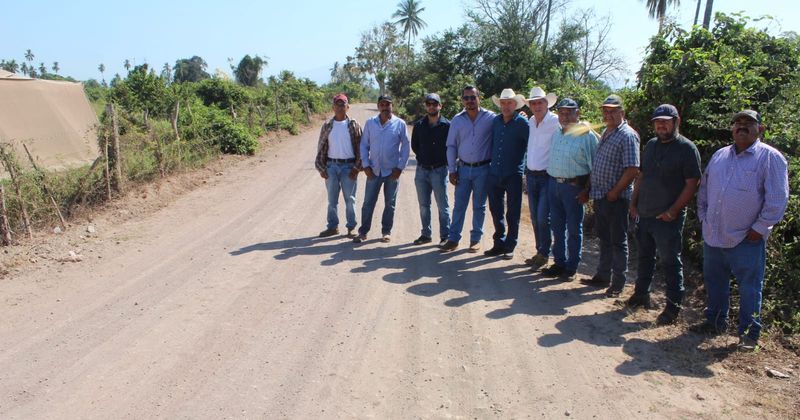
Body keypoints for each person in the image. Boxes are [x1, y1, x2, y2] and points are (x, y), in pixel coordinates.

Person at [695, 109, 788, 351]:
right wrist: (704, 217)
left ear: (761, 128)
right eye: (737, 122)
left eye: (748, 122)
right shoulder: (719, 156)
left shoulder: (770, 158)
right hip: (714, 235)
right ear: (732, 128)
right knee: (715, 282)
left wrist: (759, 229)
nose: (742, 126)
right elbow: (704, 190)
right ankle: (715, 323)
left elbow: (777, 199)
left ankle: (748, 334)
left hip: (747, 239)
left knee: (749, 287)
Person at [626, 104, 701, 325]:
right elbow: (641, 176)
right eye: (658, 121)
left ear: (677, 121)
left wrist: (673, 211)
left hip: (667, 218)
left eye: (666, 121)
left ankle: (672, 309)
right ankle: (641, 294)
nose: (661, 125)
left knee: (670, 262)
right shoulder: (650, 145)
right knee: (644, 257)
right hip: (645, 213)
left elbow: (692, 183)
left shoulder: (687, 149)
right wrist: (633, 202)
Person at [587, 94, 640, 297]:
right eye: (605, 111)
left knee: (618, 240)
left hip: (616, 199)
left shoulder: (627, 135)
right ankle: (602, 276)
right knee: (604, 237)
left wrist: (614, 192)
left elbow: (632, 169)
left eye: (612, 111)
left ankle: (618, 283)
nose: (608, 114)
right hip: (601, 195)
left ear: (622, 113)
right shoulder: (608, 132)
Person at [540, 98, 598, 280]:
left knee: (573, 228)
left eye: (569, 112)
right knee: (556, 226)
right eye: (561, 113)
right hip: (554, 184)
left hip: (573, 188)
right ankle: (559, 262)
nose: (564, 116)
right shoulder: (557, 133)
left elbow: (594, 167)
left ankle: (571, 267)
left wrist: (586, 191)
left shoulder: (587, 136)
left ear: (577, 113)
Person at [440, 86, 496, 252]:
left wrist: (519, 115)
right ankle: (453, 239)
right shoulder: (457, 120)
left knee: (479, 206)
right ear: (462, 100)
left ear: (479, 98)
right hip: (463, 169)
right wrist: (452, 170)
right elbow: (451, 146)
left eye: (473, 97)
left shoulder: (491, 118)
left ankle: (475, 239)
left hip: (483, 169)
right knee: (459, 205)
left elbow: (505, 126)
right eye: (466, 98)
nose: (470, 101)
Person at [353, 95, 410, 243]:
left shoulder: (400, 124)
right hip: (373, 171)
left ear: (392, 106)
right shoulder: (370, 123)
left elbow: (405, 147)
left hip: (392, 172)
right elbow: (364, 145)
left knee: (390, 203)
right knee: (368, 203)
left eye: (388, 104)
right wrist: (365, 165)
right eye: (382, 104)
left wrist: (400, 167)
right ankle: (363, 232)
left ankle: (386, 231)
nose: (385, 107)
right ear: (378, 106)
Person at [484, 89, 530, 260]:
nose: (505, 106)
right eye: (503, 103)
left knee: (513, 211)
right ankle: (499, 242)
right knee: (495, 210)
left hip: (513, 174)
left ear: (515, 105)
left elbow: (530, 145)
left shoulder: (522, 123)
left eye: (509, 103)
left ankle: (510, 245)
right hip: (494, 172)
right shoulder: (496, 121)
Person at [315, 93, 362, 238]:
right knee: (332, 200)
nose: (340, 107)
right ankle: (332, 227)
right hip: (331, 166)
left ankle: (351, 227)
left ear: (348, 107)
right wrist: (322, 168)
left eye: (343, 104)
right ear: (333, 107)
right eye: (337, 104)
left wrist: (357, 168)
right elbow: (321, 148)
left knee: (350, 200)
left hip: (349, 167)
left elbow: (361, 148)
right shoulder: (327, 126)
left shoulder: (354, 125)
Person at [524, 87, 560, 270]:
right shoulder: (530, 121)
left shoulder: (555, 121)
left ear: (547, 104)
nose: (537, 106)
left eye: (540, 102)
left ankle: (545, 253)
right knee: (534, 216)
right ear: (530, 106)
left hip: (547, 176)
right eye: (534, 103)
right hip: (531, 176)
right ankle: (540, 251)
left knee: (542, 217)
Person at [411, 93, 451, 246]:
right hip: (422, 171)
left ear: (440, 106)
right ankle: (426, 234)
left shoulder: (447, 125)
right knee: (423, 205)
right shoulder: (419, 125)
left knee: (442, 206)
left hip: (439, 170)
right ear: (426, 106)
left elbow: (453, 147)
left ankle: (445, 236)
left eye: (435, 104)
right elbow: (415, 146)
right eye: (429, 104)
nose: (431, 106)